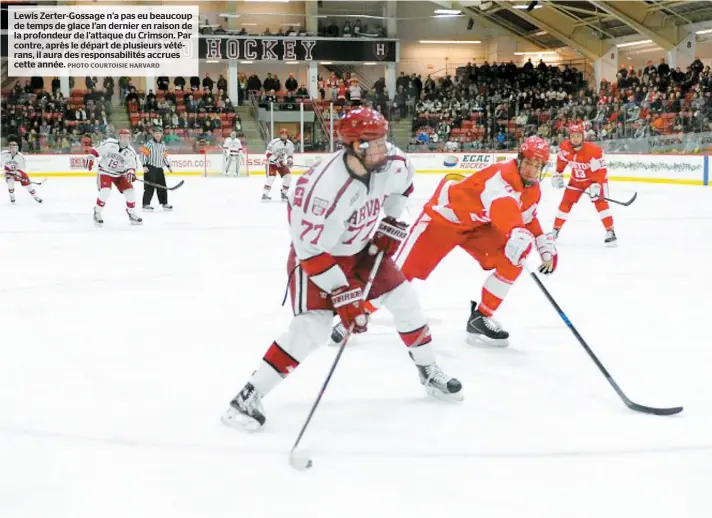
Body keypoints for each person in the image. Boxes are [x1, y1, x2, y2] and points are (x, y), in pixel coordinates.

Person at [221, 107, 463, 431]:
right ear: (350, 145)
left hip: (363, 249)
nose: (381, 149)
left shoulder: (393, 162)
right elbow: (309, 251)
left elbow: (403, 186)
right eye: (370, 143)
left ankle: (428, 369)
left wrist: (390, 221)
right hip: (320, 258)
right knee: (314, 328)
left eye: (381, 139)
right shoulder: (320, 188)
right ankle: (248, 396)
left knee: (405, 300)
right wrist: (341, 292)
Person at [331, 136, 557, 348]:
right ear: (519, 160)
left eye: (538, 165)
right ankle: (357, 314)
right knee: (399, 274)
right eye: (529, 163)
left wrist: (540, 241)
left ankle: (481, 318)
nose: (532, 169)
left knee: (513, 260)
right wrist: (515, 231)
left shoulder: (532, 189)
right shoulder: (501, 177)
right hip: (444, 219)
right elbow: (502, 205)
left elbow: (527, 216)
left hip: (477, 227)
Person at [551, 122, 617, 246]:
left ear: (583, 136)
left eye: (578, 136)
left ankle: (610, 232)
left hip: (593, 179)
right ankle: (555, 231)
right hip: (576, 180)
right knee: (565, 203)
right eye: (573, 136)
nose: (575, 139)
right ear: (569, 137)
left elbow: (601, 169)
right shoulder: (564, 148)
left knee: (600, 203)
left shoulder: (593, 150)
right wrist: (557, 174)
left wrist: (597, 184)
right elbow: (561, 161)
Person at [89, 129, 142, 226]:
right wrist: (91, 157)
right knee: (105, 191)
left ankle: (131, 212)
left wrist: (131, 173)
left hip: (119, 175)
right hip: (105, 171)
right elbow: (96, 150)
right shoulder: (109, 143)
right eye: (123, 137)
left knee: (130, 191)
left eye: (127, 137)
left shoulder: (131, 152)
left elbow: (132, 166)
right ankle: (97, 212)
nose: (125, 139)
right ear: (119, 137)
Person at [139, 128, 174, 211]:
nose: (158, 135)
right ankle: (146, 204)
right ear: (153, 135)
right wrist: (144, 166)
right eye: (156, 133)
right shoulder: (149, 144)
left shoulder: (163, 144)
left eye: (159, 133)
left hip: (159, 169)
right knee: (149, 186)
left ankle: (164, 203)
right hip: (150, 168)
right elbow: (142, 155)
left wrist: (168, 166)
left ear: (161, 134)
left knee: (162, 186)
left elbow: (164, 157)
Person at [1, 137, 42, 204]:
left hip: (18, 172)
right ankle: (12, 197)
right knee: (10, 183)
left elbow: (22, 168)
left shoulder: (21, 157)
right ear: (9, 148)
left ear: (17, 148)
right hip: (8, 172)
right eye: (11, 147)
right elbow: (1, 166)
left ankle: (35, 196)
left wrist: (16, 174)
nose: (13, 149)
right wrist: (6, 173)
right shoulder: (3, 154)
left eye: (15, 147)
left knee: (28, 185)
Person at [262, 128, 294, 201]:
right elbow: (268, 153)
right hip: (271, 163)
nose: (284, 136)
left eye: (285, 134)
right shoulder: (274, 142)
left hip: (281, 163)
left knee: (288, 177)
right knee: (271, 178)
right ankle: (265, 194)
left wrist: (290, 161)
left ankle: (284, 194)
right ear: (280, 135)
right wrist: (275, 159)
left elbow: (290, 154)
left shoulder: (290, 144)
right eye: (282, 134)